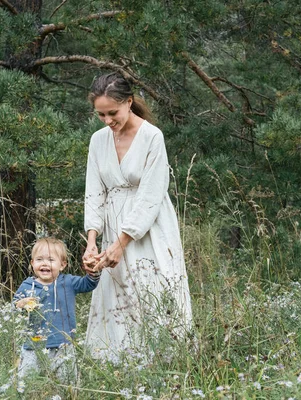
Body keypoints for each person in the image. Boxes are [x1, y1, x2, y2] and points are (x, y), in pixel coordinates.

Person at [82, 72, 193, 361]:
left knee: (151, 287)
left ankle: (165, 361)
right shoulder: (98, 141)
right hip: (111, 223)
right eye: (100, 114)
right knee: (114, 294)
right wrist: (92, 240)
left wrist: (122, 242)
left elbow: (152, 195)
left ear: (129, 102)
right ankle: (116, 362)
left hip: (148, 228)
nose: (107, 120)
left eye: (113, 112)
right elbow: (94, 191)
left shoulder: (152, 137)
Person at [14, 237, 100, 381]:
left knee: (68, 381)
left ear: (62, 264)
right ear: (32, 263)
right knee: (27, 380)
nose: (45, 264)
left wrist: (93, 271)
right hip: (33, 345)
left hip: (63, 344)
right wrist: (21, 304)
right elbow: (14, 307)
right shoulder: (27, 285)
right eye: (39, 259)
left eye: (51, 260)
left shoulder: (68, 282)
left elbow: (88, 284)